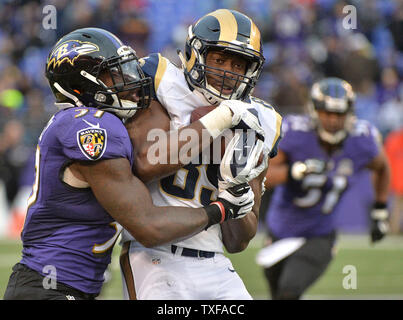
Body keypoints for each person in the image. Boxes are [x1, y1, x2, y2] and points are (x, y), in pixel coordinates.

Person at [3, 27, 258, 300]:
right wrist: (220, 209)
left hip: (64, 287)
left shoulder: (87, 123)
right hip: (48, 287)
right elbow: (148, 226)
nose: (130, 80)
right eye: (114, 72)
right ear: (83, 83)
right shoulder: (92, 126)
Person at [119, 9, 282, 300]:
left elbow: (238, 240)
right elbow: (145, 163)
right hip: (155, 257)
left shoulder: (262, 119)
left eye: (238, 65)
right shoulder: (161, 82)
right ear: (196, 54)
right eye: (219, 59)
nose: (228, 73)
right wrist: (217, 121)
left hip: (215, 261)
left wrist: (234, 191)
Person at [259, 77, 391, 300]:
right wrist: (294, 172)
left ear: (349, 114)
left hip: (319, 234)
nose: (332, 120)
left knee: (288, 292)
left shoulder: (361, 140)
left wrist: (380, 211)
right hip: (280, 230)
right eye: (326, 112)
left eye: (338, 114)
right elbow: (263, 177)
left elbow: (383, 168)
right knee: (278, 293)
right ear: (313, 111)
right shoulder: (294, 132)